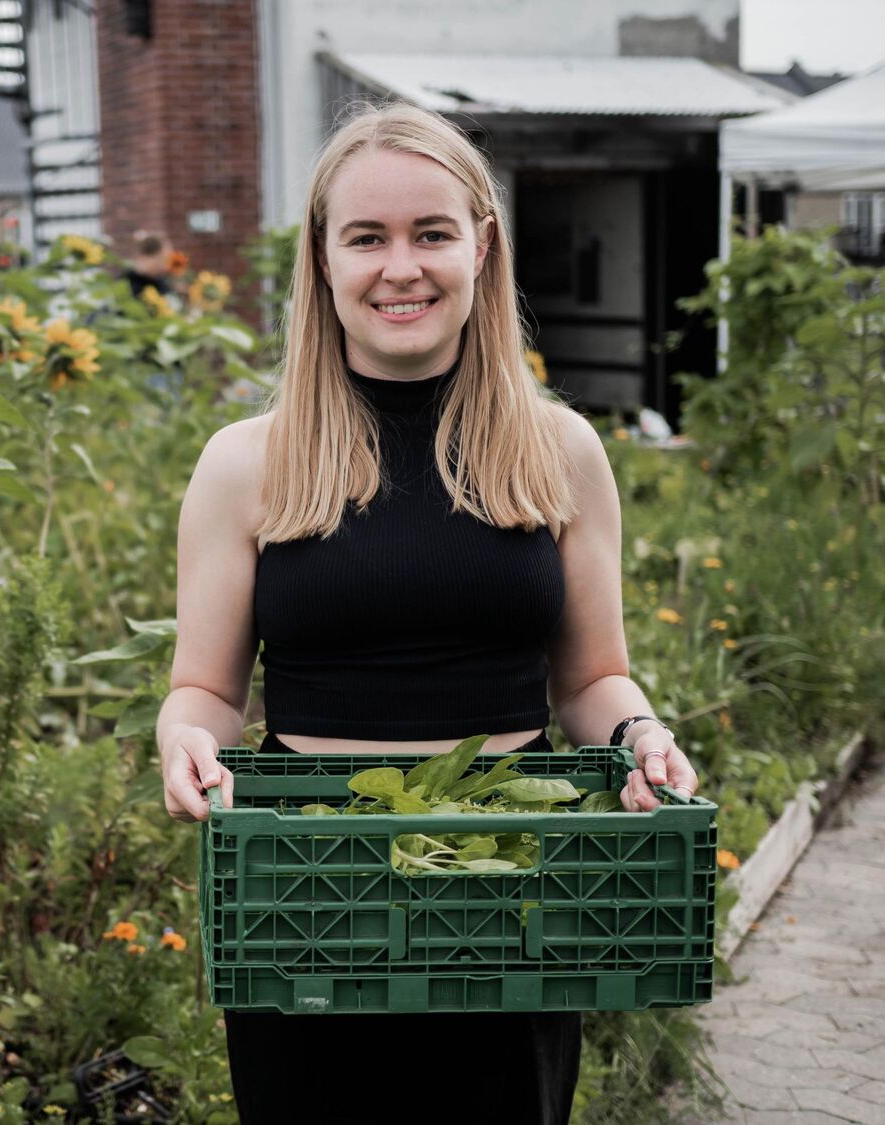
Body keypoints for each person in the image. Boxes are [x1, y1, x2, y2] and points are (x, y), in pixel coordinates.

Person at [155, 100, 701, 1125]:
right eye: (367, 237)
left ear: (483, 247)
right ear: (322, 258)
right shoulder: (246, 465)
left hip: (510, 883)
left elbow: (590, 678)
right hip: (311, 888)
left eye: (432, 233)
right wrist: (185, 741)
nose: (399, 267)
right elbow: (206, 688)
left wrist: (638, 734)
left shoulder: (560, 451)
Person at [122, 229, 174, 300]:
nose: (166, 266)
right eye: (164, 260)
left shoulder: (160, 283)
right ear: (149, 257)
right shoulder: (126, 286)